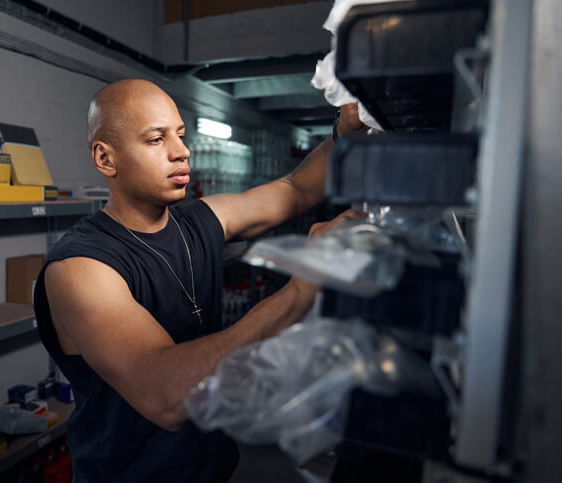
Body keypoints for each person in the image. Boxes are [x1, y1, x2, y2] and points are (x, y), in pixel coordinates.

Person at [33, 79, 365, 482]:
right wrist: (306, 282)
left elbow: (295, 188)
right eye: (156, 140)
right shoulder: (80, 267)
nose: (182, 151)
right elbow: (168, 396)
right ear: (105, 159)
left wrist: (343, 133)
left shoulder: (199, 221)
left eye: (181, 135)